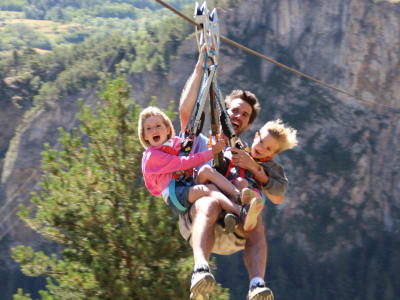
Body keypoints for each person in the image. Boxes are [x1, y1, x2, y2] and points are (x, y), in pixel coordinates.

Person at [178, 47, 285, 300]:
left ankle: (257, 285)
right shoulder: (201, 143)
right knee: (208, 200)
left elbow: (278, 194)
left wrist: (256, 169)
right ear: (224, 112)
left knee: (255, 214)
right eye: (234, 111)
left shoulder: (248, 156)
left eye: (245, 115)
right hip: (199, 220)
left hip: (235, 230)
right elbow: (185, 114)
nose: (238, 116)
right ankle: (200, 270)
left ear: (248, 125)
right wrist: (199, 67)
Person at [138, 106, 263, 232]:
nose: (154, 130)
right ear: (145, 136)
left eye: (158, 126)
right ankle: (241, 212)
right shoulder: (152, 156)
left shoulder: (175, 144)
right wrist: (212, 152)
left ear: (167, 129)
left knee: (206, 170)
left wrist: (194, 138)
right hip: (175, 194)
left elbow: (187, 149)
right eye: (149, 128)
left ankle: (239, 196)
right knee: (208, 189)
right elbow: (182, 162)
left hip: (187, 183)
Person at [217, 119, 298, 232]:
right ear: (256, 136)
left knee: (251, 193)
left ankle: (249, 211)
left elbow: (281, 189)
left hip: (253, 191)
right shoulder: (242, 150)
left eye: (268, 149)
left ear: (273, 154)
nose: (261, 148)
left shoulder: (272, 167)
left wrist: (264, 177)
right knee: (240, 183)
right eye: (261, 141)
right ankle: (232, 217)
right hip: (233, 188)